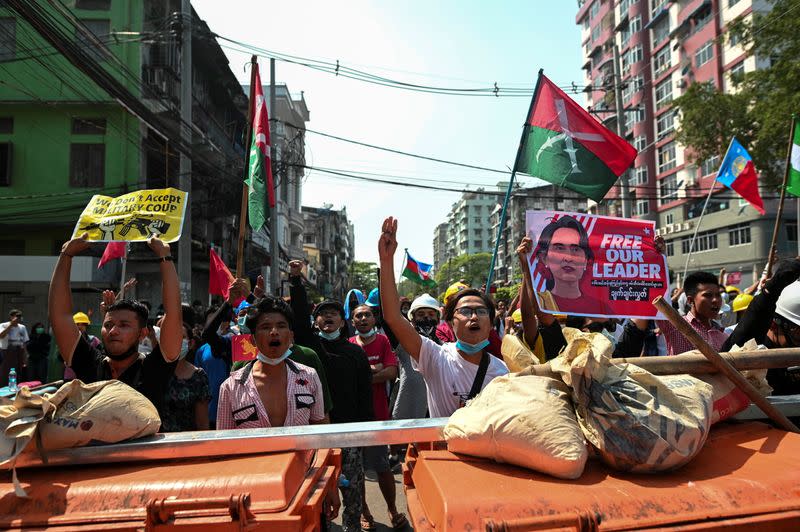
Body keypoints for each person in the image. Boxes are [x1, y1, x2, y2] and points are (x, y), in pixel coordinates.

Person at [379, 217, 508, 419]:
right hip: (441, 451)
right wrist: (386, 261)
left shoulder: (501, 372)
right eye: (465, 311)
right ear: (449, 322)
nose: (474, 317)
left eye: (482, 311)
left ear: (492, 323)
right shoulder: (435, 357)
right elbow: (393, 317)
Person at [48, 233, 182, 419]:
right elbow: (60, 315)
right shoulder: (89, 362)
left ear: (143, 333)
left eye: (124, 325)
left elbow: (174, 312)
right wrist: (65, 255)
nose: (113, 331)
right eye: (108, 324)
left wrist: (165, 256)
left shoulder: (154, 368)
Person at [288, 264, 372, 532]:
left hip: (349, 432)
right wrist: (296, 281)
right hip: (317, 432)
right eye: (322, 314)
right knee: (318, 488)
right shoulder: (310, 347)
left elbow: (364, 394)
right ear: (317, 321)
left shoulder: (355, 353)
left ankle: (353, 527)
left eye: (333, 313)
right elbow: (299, 318)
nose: (328, 318)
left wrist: (365, 430)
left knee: (353, 489)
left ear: (342, 320)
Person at [216, 295, 327, 428]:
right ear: (252, 339)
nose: (274, 332)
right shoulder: (231, 387)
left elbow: (320, 431)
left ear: (291, 336)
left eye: (281, 326)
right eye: (265, 327)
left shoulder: (309, 376)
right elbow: (225, 442)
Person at [348, 304, 407, 531]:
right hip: (353, 420)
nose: (363, 319)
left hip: (378, 417)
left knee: (382, 468)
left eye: (367, 315)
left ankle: (392, 510)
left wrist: (363, 377)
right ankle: (365, 513)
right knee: (357, 471)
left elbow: (392, 372)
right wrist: (375, 369)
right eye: (358, 316)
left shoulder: (383, 342)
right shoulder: (349, 346)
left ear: (374, 319)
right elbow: (347, 381)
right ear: (352, 321)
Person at [721, 259, 800, 394]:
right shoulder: (749, 346)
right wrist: (771, 289)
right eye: (798, 332)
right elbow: (754, 319)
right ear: (775, 324)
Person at [533, 215, 610, 315]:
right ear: (544, 258)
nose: (568, 258)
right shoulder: (538, 303)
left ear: (586, 260)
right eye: (560, 248)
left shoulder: (601, 309)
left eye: (575, 249)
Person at [658, 271, 728, 356]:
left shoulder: (723, 336)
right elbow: (652, 298)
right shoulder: (674, 326)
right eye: (708, 295)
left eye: (718, 295)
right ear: (690, 300)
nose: (715, 300)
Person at [160, 321, 211, 432]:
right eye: (170, 336)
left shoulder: (198, 377)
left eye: (181, 337)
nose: (175, 340)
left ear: (190, 343)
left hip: (186, 444)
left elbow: (202, 424)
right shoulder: (152, 371)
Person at [0, 309, 29, 386]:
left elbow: (24, 342)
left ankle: (16, 387)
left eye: (20, 316)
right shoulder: (3, 325)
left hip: (19, 351)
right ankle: (4, 387)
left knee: (18, 371)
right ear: (11, 317)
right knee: (5, 371)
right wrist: (11, 325)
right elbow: (1, 335)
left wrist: (25, 356)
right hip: (6, 351)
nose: (18, 318)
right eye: (16, 316)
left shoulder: (22, 327)